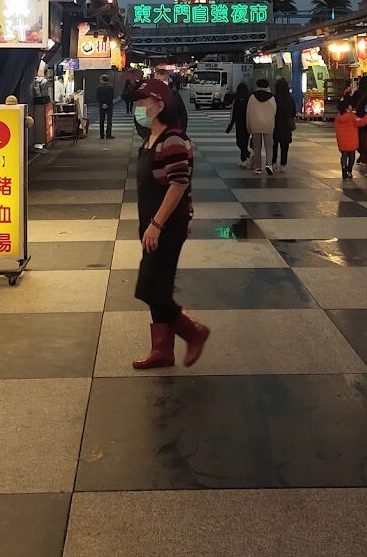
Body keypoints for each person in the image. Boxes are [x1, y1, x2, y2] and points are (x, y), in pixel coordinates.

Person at [129, 78, 210, 370]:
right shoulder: (150, 139)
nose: (139, 107)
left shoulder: (173, 139)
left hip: (164, 224)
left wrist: (157, 224)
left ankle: (193, 332)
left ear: (160, 105)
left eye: (143, 102)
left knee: (151, 288)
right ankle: (162, 350)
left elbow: (178, 184)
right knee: (155, 286)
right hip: (153, 222)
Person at [335, 100, 367, 179]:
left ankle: (344, 170)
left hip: (342, 141)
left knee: (344, 155)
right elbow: (361, 122)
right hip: (351, 141)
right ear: (347, 107)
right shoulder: (351, 116)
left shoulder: (338, 117)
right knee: (351, 157)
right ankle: (349, 171)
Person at [246, 78, 277, 175]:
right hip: (268, 124)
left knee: (257, 147)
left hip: (255, 124)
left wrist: (249, 127)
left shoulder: (252, 98)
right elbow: (275, 112)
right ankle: (269, 164)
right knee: (269, 146)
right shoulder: (272, 98)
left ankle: (258, 167)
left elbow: (248, 113)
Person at [272, 77, 297, 171]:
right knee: (284, 145)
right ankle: (283, 164)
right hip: (286, 125)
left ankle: (273, 162)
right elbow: (293, 112)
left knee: (274, 144)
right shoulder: (290, 98)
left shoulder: (274, 98)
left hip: (275, 124)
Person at [225, 82, 251, 166]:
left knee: (240, 142)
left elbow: (233, 114)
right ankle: (245, 158)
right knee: (244, 142)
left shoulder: (237, 101)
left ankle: (245, 157)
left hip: (239, 124)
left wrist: (230, 126)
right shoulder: (248, 100)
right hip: (247, 123)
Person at [96, 74, 115, 139]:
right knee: (109, 120)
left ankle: (101, 135)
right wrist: (106, 103)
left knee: (101, 120)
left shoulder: (98, 87)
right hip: (109, 105)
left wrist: (103, 104)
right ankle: (108, 134)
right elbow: (111, 97)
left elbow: (98, 97)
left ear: (102, 80)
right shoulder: (110, 87)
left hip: (101, 105)